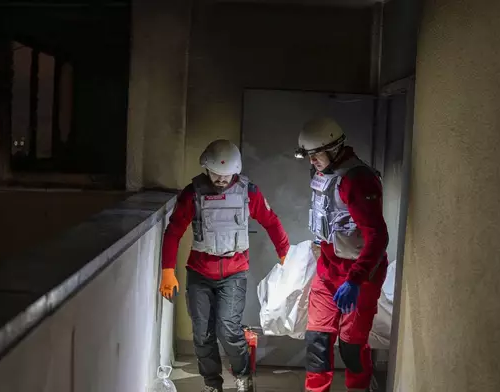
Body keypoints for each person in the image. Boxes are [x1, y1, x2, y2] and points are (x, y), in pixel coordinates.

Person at [159, 139, 290, 392]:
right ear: (206, 168)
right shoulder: (193, 193)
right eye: (217, 175)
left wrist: (284, 252)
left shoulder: (248, 192)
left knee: (228, 329)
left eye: (226, 175)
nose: (221, 180)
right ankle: (212, 384)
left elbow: (271, 221)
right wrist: (167, 271)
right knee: (202, 334)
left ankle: (243, 376)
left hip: (234, 273)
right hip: (199, 273)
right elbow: (174, 231)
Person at [295, 118, 389, 392]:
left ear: (335, 148)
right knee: (317, 342)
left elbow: (378, 236)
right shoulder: (323, 174)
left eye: (316, 154)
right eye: (309, 156)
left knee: (352, 347)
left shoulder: (359, 180)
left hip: (359, 278)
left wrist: (356, 281)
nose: (312, 161)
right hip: (328, 272)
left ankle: (358, 389)